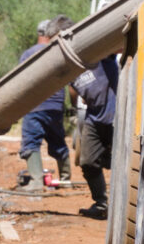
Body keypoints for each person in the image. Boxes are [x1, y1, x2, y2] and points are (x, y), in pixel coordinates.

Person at [47, 15, 119, 219]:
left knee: (123, 163)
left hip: (117, 117)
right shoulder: (70, 65)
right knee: (87, 161)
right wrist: (75, 104)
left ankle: (127, 206)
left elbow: (116, 42)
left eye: (57, 42)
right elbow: (71, 86)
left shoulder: (98, 53)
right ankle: (102, 204)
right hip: (94, 117)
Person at [17, 19, 72, 191]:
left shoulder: (28, 54)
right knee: (58, 141)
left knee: (31, 142)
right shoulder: (60, 51)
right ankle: (65, 180)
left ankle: (36, 181)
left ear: (39, 33)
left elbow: (20, 81)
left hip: (35, 105)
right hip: (56, 105)